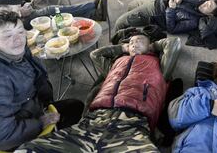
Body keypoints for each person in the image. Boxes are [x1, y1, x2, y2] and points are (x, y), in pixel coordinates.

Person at [15, 34, 181, 151]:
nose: (134, 43)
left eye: (140, 41)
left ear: (150, 45)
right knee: (28, 150)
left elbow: (174, 44)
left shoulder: (158, 64)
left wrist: (153, 46)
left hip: (132, 123)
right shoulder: (116, 63)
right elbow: (95, 54)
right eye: (131, 42)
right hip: (94, 119)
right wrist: (120, 48)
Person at [0, 10, 84, 151]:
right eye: (7, 35)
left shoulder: (13, 50)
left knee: (76, 107)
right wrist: (40, 123)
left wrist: (44, 104)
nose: (18, 39)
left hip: (29, 108)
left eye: (21, 31)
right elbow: (0, 136)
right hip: (12, 136)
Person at [0, 0, 108, 64]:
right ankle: (93, 10)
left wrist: (20, 10)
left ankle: (93, 10)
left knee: (52, 12)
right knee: (51, 15)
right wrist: (20, 15)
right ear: (5, 10)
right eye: (16, 9)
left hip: (9, 23)